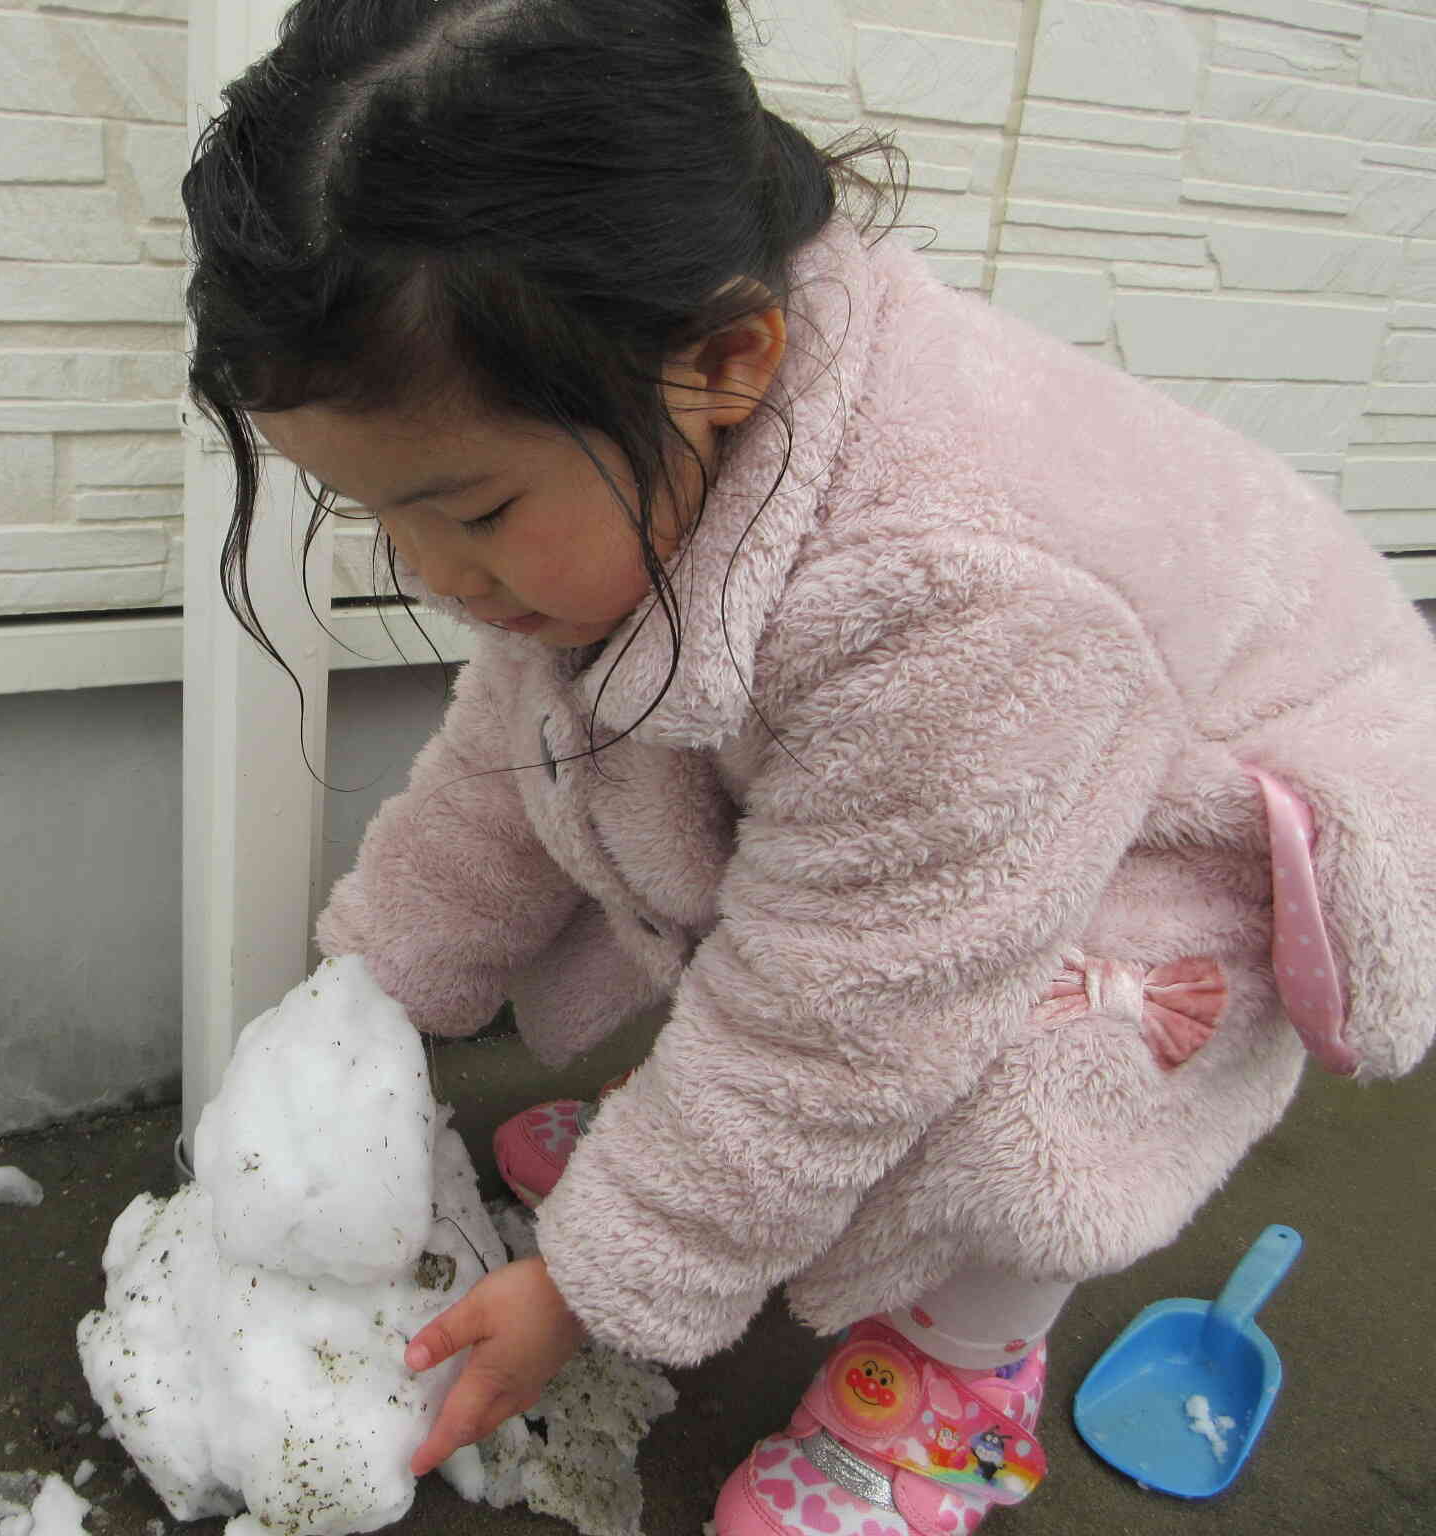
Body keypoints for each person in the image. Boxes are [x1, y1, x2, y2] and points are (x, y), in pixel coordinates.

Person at [180, 2, 1436, 1532]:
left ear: (723, 360)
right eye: (380, 514)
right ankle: (738, 1178)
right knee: (729, 886)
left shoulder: (960, 592)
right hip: (996, 790)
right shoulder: (646, 412)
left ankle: (965, 1379)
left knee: (985, 1066)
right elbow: (504, 768)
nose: (434, 570)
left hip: (1208, 834)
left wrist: (601, 1276)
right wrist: (366, 999)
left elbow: (839, 1008)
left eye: (475, 511)